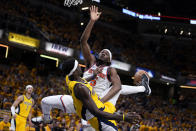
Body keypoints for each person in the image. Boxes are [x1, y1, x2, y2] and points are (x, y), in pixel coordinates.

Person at [32, 5, 150, 125]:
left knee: (117, 88)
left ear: (109, 59)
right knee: (45, 101)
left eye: (106, 53)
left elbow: (118, 87)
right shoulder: (91, 62)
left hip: (95, 102)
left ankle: (143, 88)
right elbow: (83, 41)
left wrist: (100, 101)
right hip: (78, 99)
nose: (103, 52)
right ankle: (46, 119)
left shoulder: (110, 70)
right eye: (102, 51)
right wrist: (92, 21)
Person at [64, 58, 141, 131]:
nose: (80, 67)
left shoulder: (70, 78)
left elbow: (82, 81)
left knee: (118, 93)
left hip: (99, 106)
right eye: (78, 66)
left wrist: (93, 76)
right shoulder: (80, 88)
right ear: (74, 72)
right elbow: (96, 112)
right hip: (98, 118)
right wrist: (124, 117)